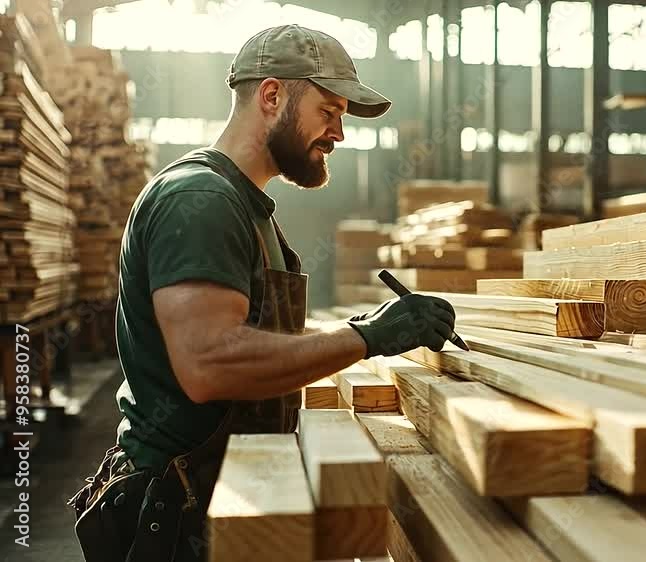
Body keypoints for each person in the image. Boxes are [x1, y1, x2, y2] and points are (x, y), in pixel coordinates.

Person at [68, 25, 457, 562]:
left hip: (222, 493)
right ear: (272, 96)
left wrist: (370, 326)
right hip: (176, 517)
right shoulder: (201, 200)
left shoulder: (245, 207)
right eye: (328, 111)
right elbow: (210, 364)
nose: (338, 134)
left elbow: (251, 340)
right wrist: (366, 337)